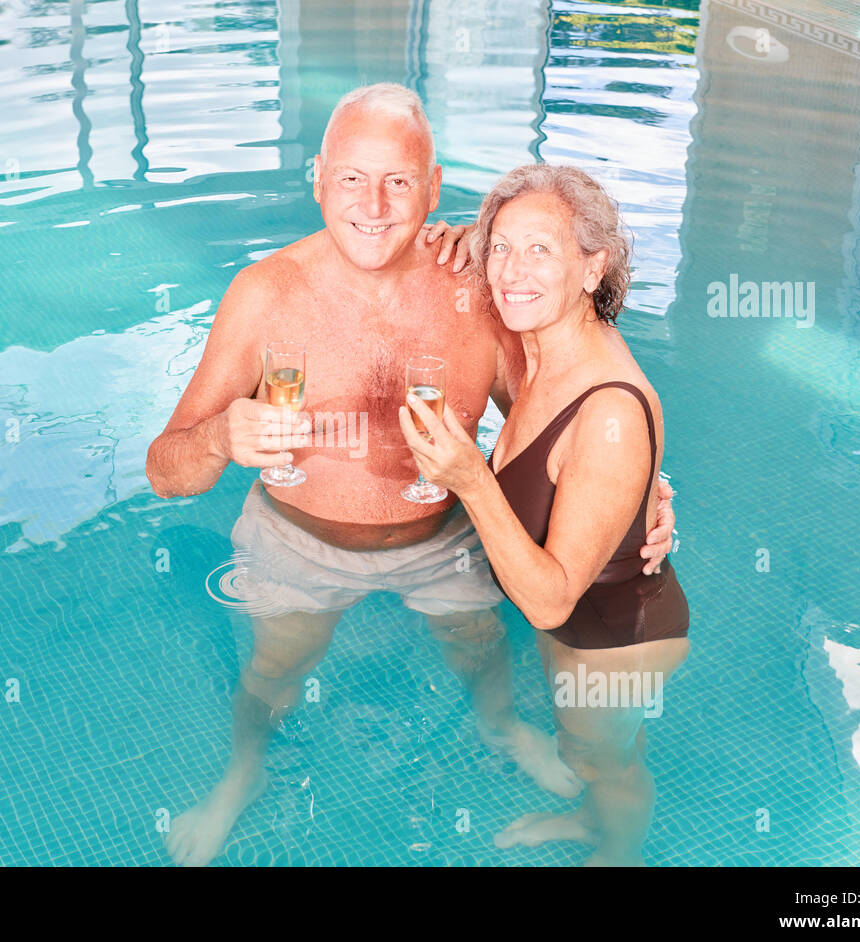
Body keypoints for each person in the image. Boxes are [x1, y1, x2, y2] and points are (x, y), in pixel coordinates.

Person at [145, 85, 676, 866]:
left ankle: (500, 725)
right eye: (353, 178)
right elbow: (165, 471)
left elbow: (558, 424)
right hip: (298, 539)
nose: (373, 204)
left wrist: (647, 490)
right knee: (273, 672)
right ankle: (242, 776)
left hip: (447, 536)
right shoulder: (265, 295)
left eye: (399, 181)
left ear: (433, 189)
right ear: (318, 177)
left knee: (477, 645)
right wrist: (223, 434)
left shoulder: (477, 292)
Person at [400, 164, 690, 866]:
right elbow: (509, 255)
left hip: (614, 636)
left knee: (600, 758)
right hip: (588, 621)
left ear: (595, 268)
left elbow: (549, 600)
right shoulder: (542, 350)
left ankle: (620, 851)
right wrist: (467, 239)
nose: (511, 270)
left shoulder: (608, 410)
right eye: (502, 247)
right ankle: (593, 824)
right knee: (597, 742)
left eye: (540, 251)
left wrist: (471, 479)